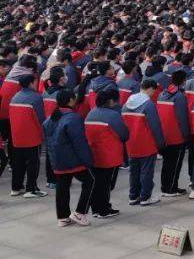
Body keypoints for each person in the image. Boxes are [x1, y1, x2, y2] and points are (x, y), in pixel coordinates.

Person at [44, 89, 95, 227]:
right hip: (73, 160)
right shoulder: (73, 118)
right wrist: (88, 161)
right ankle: (80, 212)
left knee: (62, 186)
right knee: (91, 180)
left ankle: (62, 217)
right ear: (70, 101)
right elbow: (80, 143)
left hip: (57, 159)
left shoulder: (50, 119)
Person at [84, 87, 127, 217]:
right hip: (110, 155)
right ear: (109, 101)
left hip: (94, 154)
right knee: (107, 184)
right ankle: (104, 209)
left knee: (97, 182)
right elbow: (124, 134)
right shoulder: (113, 115)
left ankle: (96, 209)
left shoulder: (91, 113)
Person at [122, 78, 165, 206]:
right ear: (150, 89)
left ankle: (133, 196)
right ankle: (145, 197)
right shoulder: (148, 104)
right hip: (146, 143)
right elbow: (155, 126)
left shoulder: (127, 103)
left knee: (134, 171)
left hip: (131, 143)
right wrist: (160, 142)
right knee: (146, 171)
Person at [9, 72, 46, 197]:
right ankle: (32, 189)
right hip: (32, 136)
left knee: (18, 162)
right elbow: (41, 119)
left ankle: (16, 187)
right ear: (31, 83)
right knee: (33, 163)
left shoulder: (15, 97)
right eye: (35, 81)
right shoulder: (36, 98)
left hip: (16, 136)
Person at [157, 69, 191, 197]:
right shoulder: (179, 97)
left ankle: (165, 186)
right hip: (176, 136)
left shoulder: (162, 94)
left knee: (167, 163)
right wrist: (186, 134)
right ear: (183, 81)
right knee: (175, 163)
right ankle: (171, 188)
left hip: (164, 134)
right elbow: (182, 118)